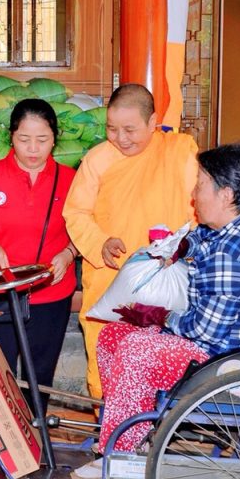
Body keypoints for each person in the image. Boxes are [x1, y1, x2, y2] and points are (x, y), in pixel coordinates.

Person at [72, 142, 240, 479]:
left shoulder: (229, 255)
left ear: (226, 194)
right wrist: (179, 246)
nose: (193, 193)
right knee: (113, 333)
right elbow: (201, 238)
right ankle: (134, 432)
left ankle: (120, 452)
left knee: (136, 350)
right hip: (225, 343)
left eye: (200, 185)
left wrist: (161, 317)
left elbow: (205, 331)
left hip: (227, 361)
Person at [63, 83, 199, 398]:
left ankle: (154, 437)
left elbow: (200, 209)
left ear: (153, 123)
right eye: (112, 129)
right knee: (107, 366)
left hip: (166, 280)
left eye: (130, 130)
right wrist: (99, 243)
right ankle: (110, 439)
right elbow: (76, 213)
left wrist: (183, 246)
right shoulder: (97, 159)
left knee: (160, 367)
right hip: (112, 282)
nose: (120, 138)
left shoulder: (179, 152)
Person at [0, 99, 77, 411]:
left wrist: (68, 254)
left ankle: (35, 442)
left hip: (52, 292)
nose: (32, 149)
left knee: (39, 377)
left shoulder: (71, 180)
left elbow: (83, 233)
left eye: (42, 140)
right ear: (10, 136)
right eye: (23, 139)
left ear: (55, 138)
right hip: (1, 291)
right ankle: (1, 447)